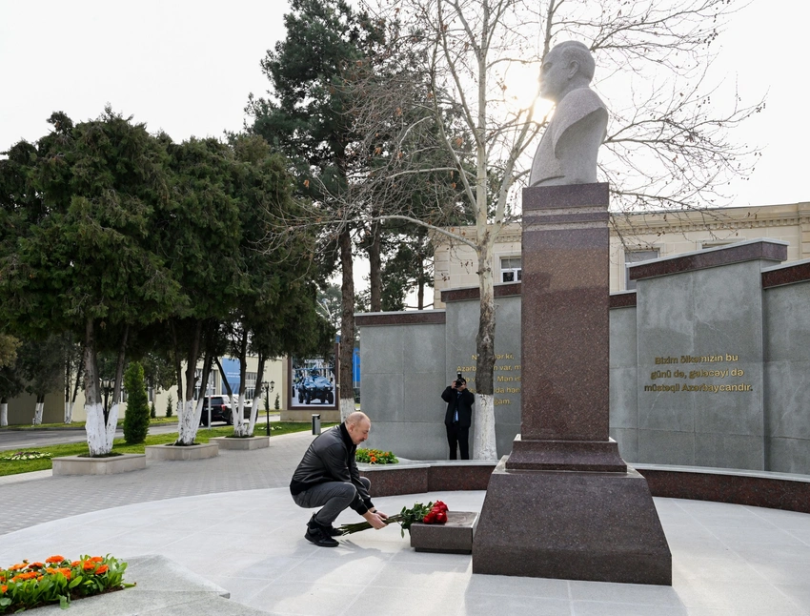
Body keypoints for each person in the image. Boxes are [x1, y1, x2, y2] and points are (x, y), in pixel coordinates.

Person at [290, 411, 388, 547]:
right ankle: (315, 528)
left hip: (319, 485)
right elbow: (347, 484)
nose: (366, 437)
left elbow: (353, 474)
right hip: (304, 492)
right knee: (348, 490)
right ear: (352, 428)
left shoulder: (347, 439)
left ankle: (325, 524)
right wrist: (368, 517)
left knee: (363, 483)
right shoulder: (334, 444)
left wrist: (372, 510)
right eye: (364, 432)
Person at [528, 40, 609, 187]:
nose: (540, 78)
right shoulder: (566, 107)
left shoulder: (582, 101)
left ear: (572, 68)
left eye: (547, 67)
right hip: (549, 196)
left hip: (564, 193)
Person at [442, 377, 475, 460]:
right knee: (452, 447)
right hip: (451, 424)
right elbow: (444, 397)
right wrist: (450, 387)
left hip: (462, 426)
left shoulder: (468, 394)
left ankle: (465, 465)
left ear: (465, 385)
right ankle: (452, 465)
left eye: (462, 384)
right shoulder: (452, 393)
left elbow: (470, 400)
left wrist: (464, 390)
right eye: (458, 384)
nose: (459, 386)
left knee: (464, 448)